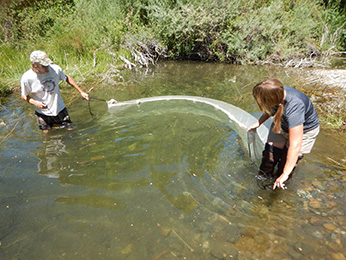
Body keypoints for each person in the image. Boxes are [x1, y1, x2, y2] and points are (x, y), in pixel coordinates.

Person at [249, 78, 320, 190]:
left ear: (272, 98)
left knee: (284, 166)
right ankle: (261, 187)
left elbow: (295, 145)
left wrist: (285, 174)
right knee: (269, 157)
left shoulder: (294, 106)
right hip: (282, 123)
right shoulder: (276, 93)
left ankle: (278, 189)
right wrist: (258, 123)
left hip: (305, 131)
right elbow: (271, 109)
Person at [21, 50, 89, 132]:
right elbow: (24, 96)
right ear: (34, 65)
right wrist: (36, 103)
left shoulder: (55, 69)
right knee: (48, 137)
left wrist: (81, 91)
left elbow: (66, 78)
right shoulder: (27, 77)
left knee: (70, 130)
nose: (47, 67)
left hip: (60, 108)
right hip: (42, 113)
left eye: (48, 64)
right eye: (44, 65)